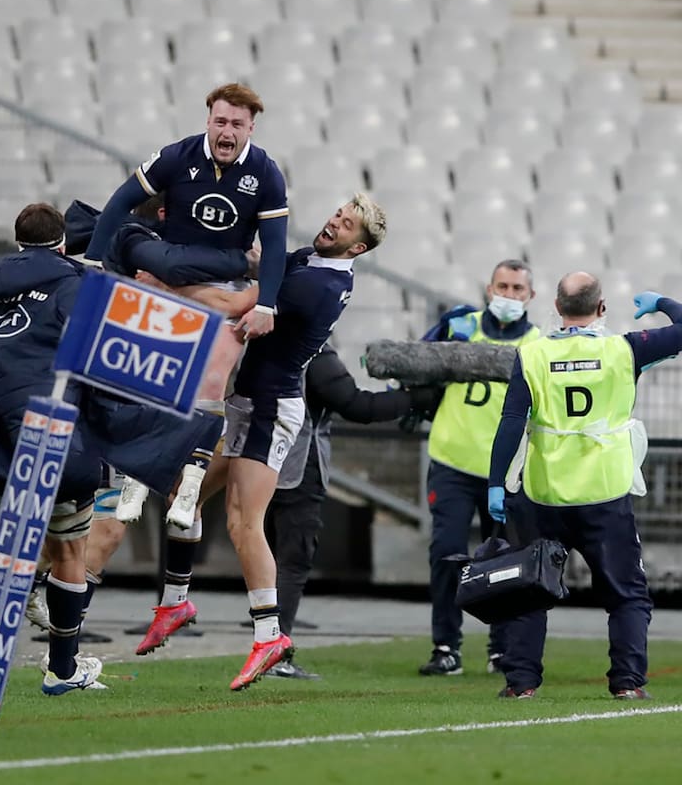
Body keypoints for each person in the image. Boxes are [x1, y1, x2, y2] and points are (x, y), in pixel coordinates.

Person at [0, 203, 221, 697]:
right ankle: (61, 670)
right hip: (57, 442)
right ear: (64, 243)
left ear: (17, 241)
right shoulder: (79, 291)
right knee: (70, 553)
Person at [134, 195, 387, 691]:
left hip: (271, 410)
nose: (334, 219)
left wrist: (163, 283)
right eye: (337, 211)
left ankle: (270, 635)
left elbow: (233, 303)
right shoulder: (311, 262)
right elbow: (260, 263)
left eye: (346, 222)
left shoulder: (318, 282)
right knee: (183, 496)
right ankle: (175, 601)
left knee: (243, 522)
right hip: (249, 403)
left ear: (357, 246)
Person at [84, 83, 290, 529]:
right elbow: (122, 199)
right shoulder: (177, 156)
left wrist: (267, 306)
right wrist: (92, 260)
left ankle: (192, 480)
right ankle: (139, 474)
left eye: (237, 123)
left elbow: (274, 248)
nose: (227, 131)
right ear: (208, 121)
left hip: (224, 282)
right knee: (155, 378)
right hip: (170, 274)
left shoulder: (267, 174)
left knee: (212, 382)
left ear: (251, 127)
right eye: (220, 121)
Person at [488, 275, 680, 699]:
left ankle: (521, 684)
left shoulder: (532, 354)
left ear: (556, 306)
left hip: (544, 493)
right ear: (602, 306)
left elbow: (511, 422)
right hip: (604, 493)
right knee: (627, 595)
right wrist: (662, 302)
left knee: (527, 593)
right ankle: (627, 684)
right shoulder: (624, 349)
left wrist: (496, 483)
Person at [263, 346, 440, 679]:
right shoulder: (314, 352)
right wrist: (419, 398)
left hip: (256, 458)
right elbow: (359, 406)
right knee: (293, 558)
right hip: (298, 465)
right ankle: (273, 651)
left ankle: (264, 644)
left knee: (264, 554)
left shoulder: (263, 343)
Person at [418, 260, 540, 677]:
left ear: (531, 296)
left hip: (507, 473)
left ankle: (501, 648)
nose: (509, 295)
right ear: (489, 288)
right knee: (446, 554)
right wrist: (439, 332)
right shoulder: (461, 326)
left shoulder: (539, 344)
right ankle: (445, 646)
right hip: (453, 461)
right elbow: (417, 361)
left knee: (507, 562)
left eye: (517, 288)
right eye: (502, 286)